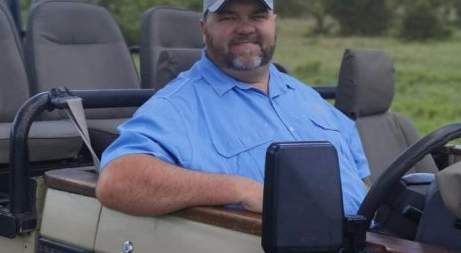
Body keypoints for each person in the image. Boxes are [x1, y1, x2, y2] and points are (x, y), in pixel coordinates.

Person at [96, 0, 370, 216]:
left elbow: (362, 183)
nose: (246, 27)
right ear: (203, 28)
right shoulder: (179, 105)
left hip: (376, 252)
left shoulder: (306, 97)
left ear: (273, 23)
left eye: (258, 16)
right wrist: (240, 188)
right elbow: (118, 181)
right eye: (229, 17)